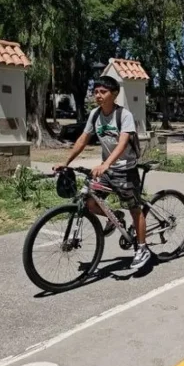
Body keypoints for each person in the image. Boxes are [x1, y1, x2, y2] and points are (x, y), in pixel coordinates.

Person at [54, 76, 150, 269]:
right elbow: (83, 139)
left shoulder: (124, 115)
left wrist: (106, 164)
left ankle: (142, 248)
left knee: (135, 209)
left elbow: (122, 143)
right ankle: (115, 217)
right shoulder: (95, 114)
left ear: (114, 94)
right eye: (95, 91)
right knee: (90, 202)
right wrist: (65, 162)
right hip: (107, 169)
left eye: (103, 92)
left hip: (125, 170)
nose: (98, 95)